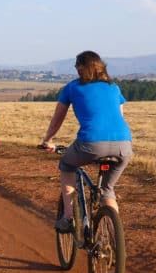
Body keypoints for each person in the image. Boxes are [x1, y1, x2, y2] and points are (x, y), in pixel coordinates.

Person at [39, 50, 133, 233]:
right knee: (107, 190)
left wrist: (47, 140)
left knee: (67, 165)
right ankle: (112, 238)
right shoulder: (114, 87)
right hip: (124, 144)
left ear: (82, 68)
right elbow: (119, 116)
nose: (75, 69)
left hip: (91, 143)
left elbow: (57, 119)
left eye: (76, 66)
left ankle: (67, 218)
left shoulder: (73, 87)